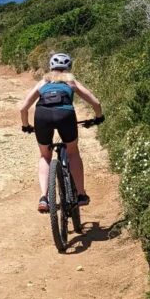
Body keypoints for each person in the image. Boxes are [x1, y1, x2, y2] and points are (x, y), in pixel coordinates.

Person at [18, 52, 104, 213]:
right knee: (73, 153)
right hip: (65, 115)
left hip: (42, 116)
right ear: (69, 67)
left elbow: (23, 108)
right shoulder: (71, 81)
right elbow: (95, 102)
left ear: (51, 67)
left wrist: (26, 125)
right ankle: (80, 194)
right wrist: (98, 117)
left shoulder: (44, 81)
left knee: (45, 156)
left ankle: (44, 197)